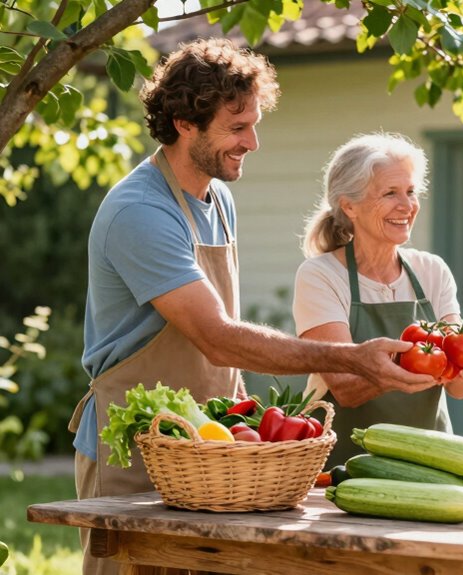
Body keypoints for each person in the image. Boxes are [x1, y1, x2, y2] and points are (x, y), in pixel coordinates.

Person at [70, 39, 434, 575]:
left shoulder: (219, 200)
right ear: (183, 123)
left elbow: (223, 346)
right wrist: (350, 357)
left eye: (254, 124)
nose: (253, 142)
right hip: (137, 445)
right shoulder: (140, 210)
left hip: (211, 444)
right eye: (238, 127)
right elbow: (216, 335)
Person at [294, 132, 463, 466]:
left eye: (411, 192)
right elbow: (346, 388)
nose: (407, 206)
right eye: (390, 193)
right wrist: (423, 363)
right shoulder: (321, 275)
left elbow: (458, 389)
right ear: (349, 205)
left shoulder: (432, 271)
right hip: (346, 467)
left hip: (433, 463)